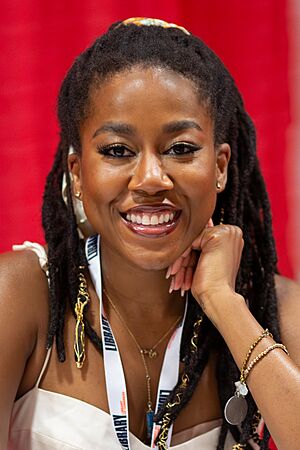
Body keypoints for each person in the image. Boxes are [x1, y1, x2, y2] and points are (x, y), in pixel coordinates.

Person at [1, 17, 300, 450]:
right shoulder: (21, 294)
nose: (150, 179)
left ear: (219, 167)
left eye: (180, 148)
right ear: (78, 173)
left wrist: (223, 302)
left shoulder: (272, 308)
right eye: (117, 151)